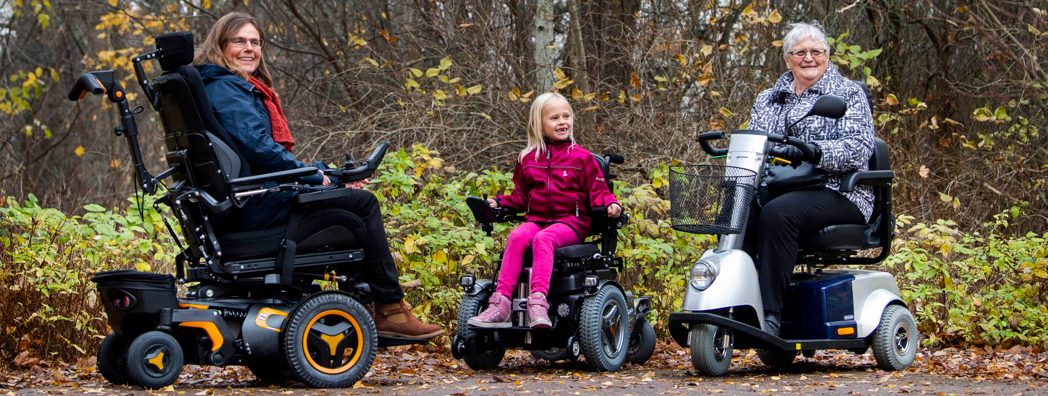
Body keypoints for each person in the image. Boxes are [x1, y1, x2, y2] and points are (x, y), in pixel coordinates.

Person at [192, 12, 442, 340]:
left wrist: (324, 173)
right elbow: (260, 149)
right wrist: (312, 177)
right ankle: (390, 310)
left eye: (255, 42)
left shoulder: (226, 86)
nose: (249, 48)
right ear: (220, 46)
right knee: (362, 204)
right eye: (238, 41)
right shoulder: (227, 88)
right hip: (252, 206)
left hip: (247, 200)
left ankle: (368, 304)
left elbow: (259, 153)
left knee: (346, 198)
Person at [743, 21, 875, 336]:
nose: (809, 58)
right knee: (738, 209)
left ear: (827, 56)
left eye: (816, 51)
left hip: (840, 190)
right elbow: (757, 142)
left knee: (779, 213)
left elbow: (859, 148)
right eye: (800, 52)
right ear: (787, 59)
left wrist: (815, 152)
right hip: (781, 185)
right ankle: (737, 302)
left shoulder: (847, 93)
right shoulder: (769, 98)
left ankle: (771, 316)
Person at [468, 92, 622, 329]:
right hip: (538, 219)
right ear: (538, 124)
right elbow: (520, 197)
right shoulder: (527, 159)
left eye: (566, 116)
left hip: (571, 223)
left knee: (543, 238)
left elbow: (598, 190)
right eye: (554, 118)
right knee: (517, 235)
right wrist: (498, 203)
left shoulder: (582, 158)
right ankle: (500, 303)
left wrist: (611, 204)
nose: (562, 122)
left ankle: (537, 301)